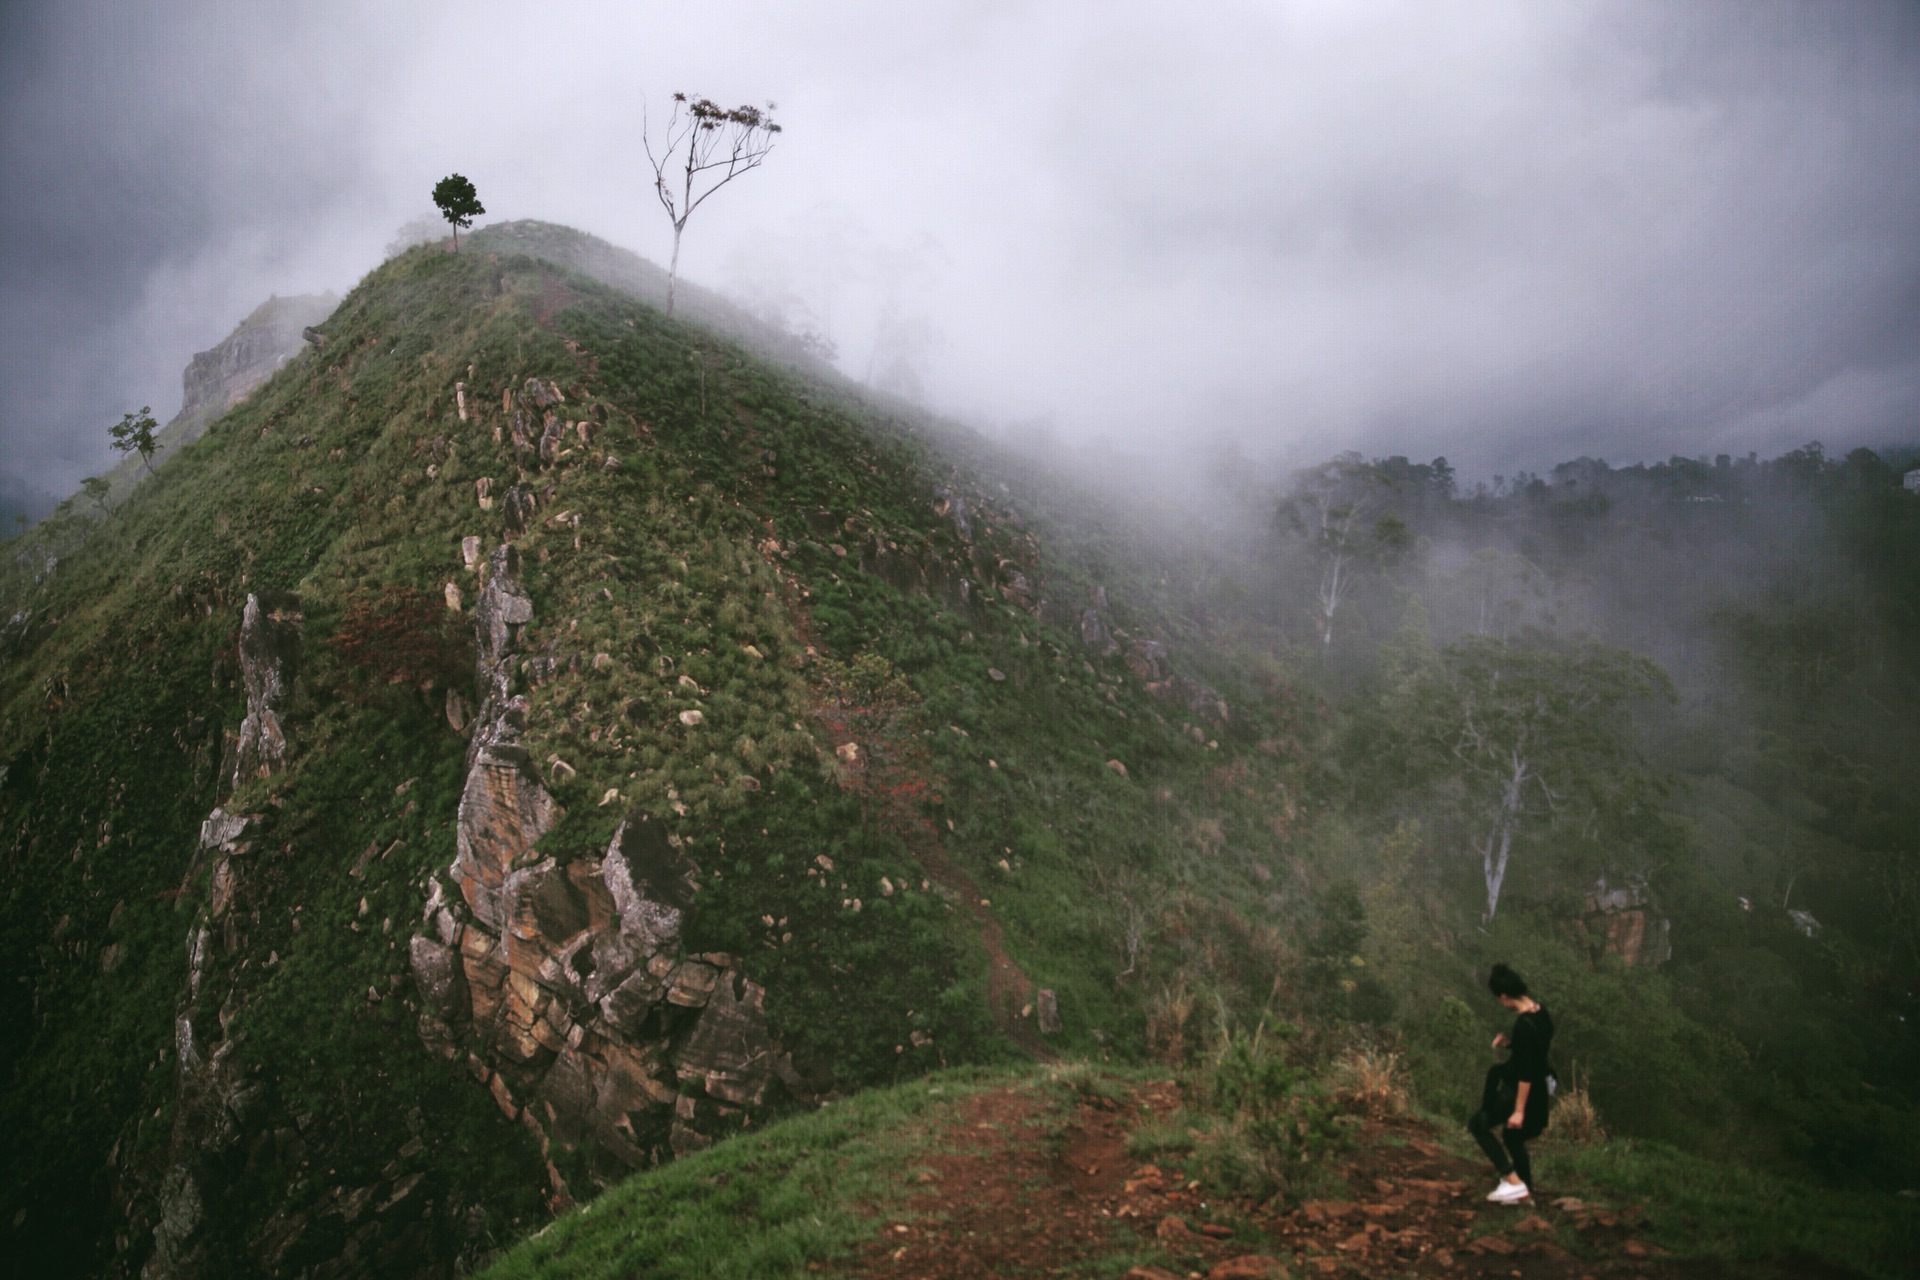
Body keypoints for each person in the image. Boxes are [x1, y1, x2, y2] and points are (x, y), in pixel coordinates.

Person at [1468, 962, 1554, 1204]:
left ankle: (1513, 1182)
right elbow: (1535, 1050)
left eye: (1498, 999)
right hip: (1540, 1087)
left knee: (1478, 1125)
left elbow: (1525, 1071)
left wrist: (1518, 1110)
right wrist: (1511, 1045)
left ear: (1504, 996)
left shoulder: (1523, 1025)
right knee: (1513, 1137)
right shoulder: (1541, 1012)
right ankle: (1525, 1193)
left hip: (1520, 1089)